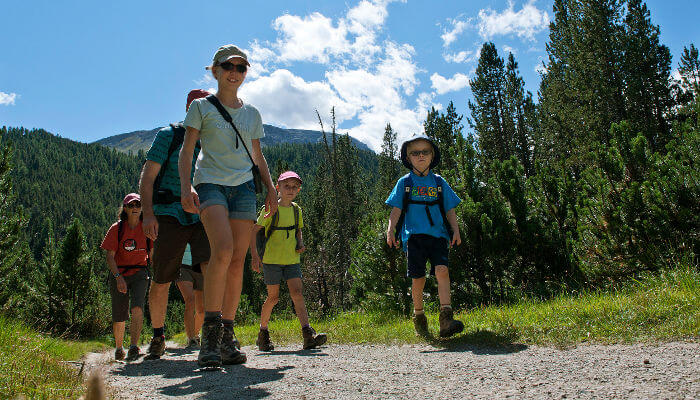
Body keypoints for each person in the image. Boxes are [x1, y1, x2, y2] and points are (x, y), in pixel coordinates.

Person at [179, 44, 278, 368]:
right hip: (210, 184)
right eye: (228, 66)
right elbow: (188, 149)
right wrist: (186, 187)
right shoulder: (201, 107)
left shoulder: (252, 114)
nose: (234, 72)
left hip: (244, 189)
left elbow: (257, 154)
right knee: (221, 251)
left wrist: (271, 189)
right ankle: (208, 338)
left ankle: (227, 336)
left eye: (241, 67)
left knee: (237, 261)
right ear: (215, 70)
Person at [138, 89, 212, 360]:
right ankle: (158, 336)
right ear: (188, 108)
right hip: (169, 214)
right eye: (198, 107)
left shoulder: (212, 143)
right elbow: (148, 178)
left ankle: (214, 334)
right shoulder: (168, 136)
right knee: (162, 278)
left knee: (213, 270)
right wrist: (148, 214)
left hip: (204, 215)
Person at [385, 136, 464, 338]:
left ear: (432, 155)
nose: (421, 156)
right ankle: (419, 315)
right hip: (414, 238)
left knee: (442, 270)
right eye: (415, 152)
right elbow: (396, 209)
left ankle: (446, 317)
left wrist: (455, 229)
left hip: (438, 235)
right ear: (407, 157)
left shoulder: (439, 182)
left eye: (425, 152)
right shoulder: (405, 182)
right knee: (418, 278)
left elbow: (449, 209)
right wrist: (391, 229)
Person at [250, 171, 327, 351]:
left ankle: (308, 334)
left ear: (298, 190)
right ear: (278, 188)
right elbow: (254, 231)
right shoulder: (269, 209)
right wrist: (255, 256)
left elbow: (298, 230)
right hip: (271, 260)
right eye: (287, 186)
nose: (290, 190)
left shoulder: (296, 210)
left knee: (297, 293)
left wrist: (300, 242)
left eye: (294, 187)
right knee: (273, 297)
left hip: (292, 259)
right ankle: (263, 333)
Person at [100, 193, 151, 361]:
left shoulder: (146, 227)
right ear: (125, 209)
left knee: (137, 307)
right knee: (119, 312)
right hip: (120, 272)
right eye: (131, 205)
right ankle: (119, 347)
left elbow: (153, 252)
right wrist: (117, 277)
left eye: (138, 204)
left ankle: (134, 346)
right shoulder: (117, 228)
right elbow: (109, 256)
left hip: (140, 272)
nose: (135, 208)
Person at [176, 244, 205, 349]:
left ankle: (196, 334)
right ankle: (191, 338)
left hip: (200, 265)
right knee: (190, 300)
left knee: (201, 310)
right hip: (182, 265)